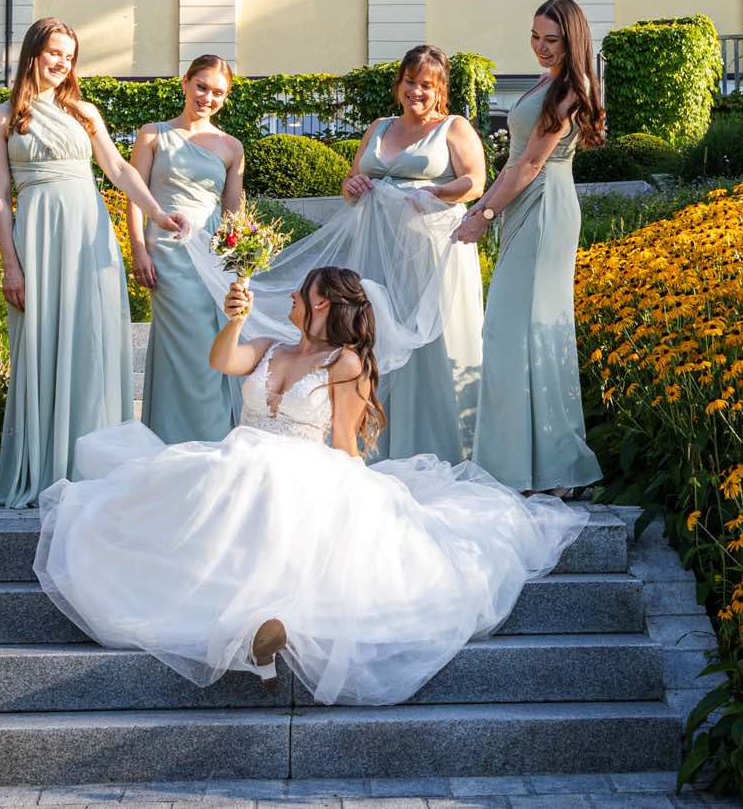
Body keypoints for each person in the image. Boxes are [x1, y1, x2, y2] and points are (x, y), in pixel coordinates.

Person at [33, 267, 586, 705]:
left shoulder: (346, 363)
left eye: (301, 293)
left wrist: (365, 499)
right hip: (237, 458)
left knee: (275, 498)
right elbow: (223, 360)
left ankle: (267, 624)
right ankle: (250, 624)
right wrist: (234, 319)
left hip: (301, 467)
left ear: (322, 304)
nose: (292, 299)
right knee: (209, 491)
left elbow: (343, 438)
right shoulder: (269, 346)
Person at [0, 17, 188, 508]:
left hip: (90, 238)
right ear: (33, 52)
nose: (62, 63)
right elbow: (0, 197)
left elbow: (118, 169)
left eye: (69, 56)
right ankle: (46, 467)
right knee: (42, 346)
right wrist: (11, 266)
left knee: (95, 342)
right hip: (38, 239)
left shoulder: (83, 111)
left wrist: (157, 213)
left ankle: (96, 465)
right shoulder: (0, 117)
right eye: (55, 52)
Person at [460, 0, 607, 495]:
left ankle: (547, 467)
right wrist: (483, 206)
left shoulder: (570, 90)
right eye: (535, 37)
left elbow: (530, 164)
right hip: (524, 202)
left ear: (572, 41)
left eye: (552, 40)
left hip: (545, 206)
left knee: (526, 329)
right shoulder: (546, 82)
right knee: (512, 329)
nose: (541, 48)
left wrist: (484, 216)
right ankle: (521, 463)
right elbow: (513, 162)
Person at [339, 47, 489, 461]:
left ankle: (439, 448)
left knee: (429, 344)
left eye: (427, 84)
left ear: (440, 90)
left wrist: (436, 192)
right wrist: (352, 187)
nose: (416, 92)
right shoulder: (379, 127)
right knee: (376, 336)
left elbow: (476, 182)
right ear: (399, 84)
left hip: (430, 252)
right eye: (410, 82)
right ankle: (376, 446)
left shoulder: (453, 128)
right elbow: (352, 183)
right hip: (376, 250)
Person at [127, 55, 247, 445]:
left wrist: (239, 269)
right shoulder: (153, 134)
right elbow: (135, 196)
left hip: (212, 258)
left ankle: (213, 439)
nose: (208, 98)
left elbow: (232, 214)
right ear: (185, 82)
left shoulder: (231, 147)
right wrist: (139, 250)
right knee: (182, 346)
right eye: (202, 87)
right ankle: (172, 439)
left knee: (211, 343)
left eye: (218, 93)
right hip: (167, 254)